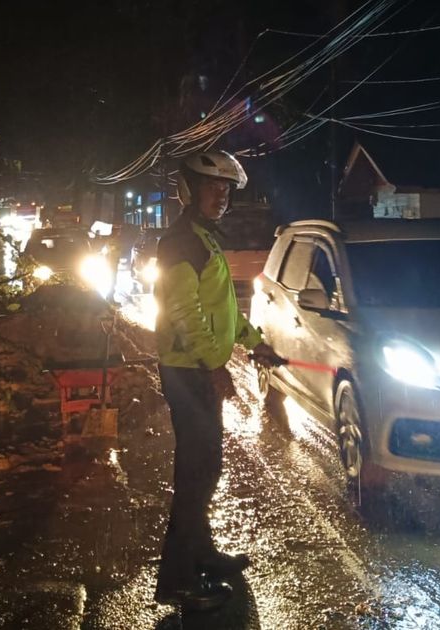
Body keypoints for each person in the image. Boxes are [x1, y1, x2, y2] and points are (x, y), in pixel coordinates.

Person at [152, 150, 284, 612]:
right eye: (212, 187)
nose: (221, 196)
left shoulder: (203, 239)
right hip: (187, 370)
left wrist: (253, 341)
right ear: (188, 190)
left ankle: (201, 555)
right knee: (195, 473)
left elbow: (219, 307)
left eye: (226, 189)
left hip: (196, 369)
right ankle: (177, 579)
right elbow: (184, 312)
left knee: (206, 468)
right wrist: (214, 364)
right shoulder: (181, 243)